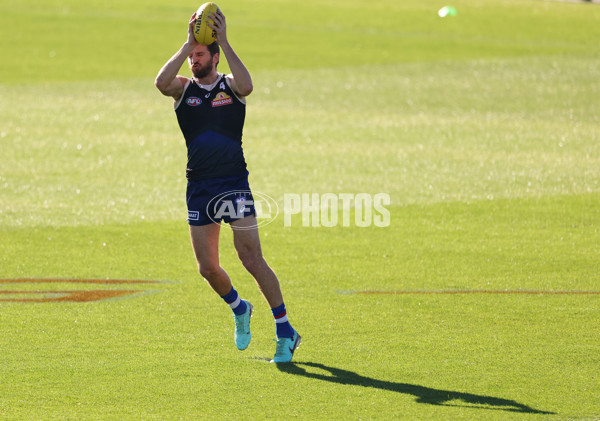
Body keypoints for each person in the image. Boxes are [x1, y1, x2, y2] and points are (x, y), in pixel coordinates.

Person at [154, 10, 300, 363]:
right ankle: (239, 307)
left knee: (251, 256)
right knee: (207, 268)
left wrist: (226, 40)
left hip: (233, 183)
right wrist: (187, 42)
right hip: (199, 186)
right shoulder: (183, 91)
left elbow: (247, 85)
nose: (193, 60)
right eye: (192, 56)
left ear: (214, 57)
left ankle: (285, 331)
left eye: (200, 55)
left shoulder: (230, 86)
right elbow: (161, 82)